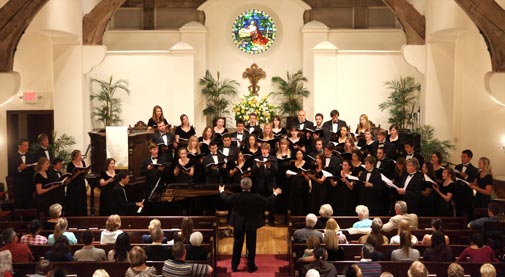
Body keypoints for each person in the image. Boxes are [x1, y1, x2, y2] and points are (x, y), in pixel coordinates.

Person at [219, 177, 281, 272]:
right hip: (252, 224)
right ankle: (251, 266)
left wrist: (222, 191)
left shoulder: (236, 196)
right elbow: (267, 201)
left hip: (238, 223)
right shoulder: (255, 197)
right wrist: (275, 193)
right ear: (250, 186)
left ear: (241, 186)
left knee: (237, 244)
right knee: (251, 245)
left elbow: (226, 199)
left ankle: (234, 266)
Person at [251, 143, 278, 224]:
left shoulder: (273, 158)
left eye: (266, 149)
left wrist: (269, 166)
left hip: (271, 184)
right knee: (260, 202)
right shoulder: (257, 158)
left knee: (272, 203)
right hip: (260, 184)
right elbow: (253, 172)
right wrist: (258, 165)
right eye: (263, 149)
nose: (264, 151)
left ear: (268, 150)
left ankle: (271, 219)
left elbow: (276, 171)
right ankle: (261, 219)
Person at [8, 138, 36, 209]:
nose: (27, 147)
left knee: (30, 205)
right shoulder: (12, 157)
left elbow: (34, 168)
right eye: (25, 145)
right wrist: (19, 169)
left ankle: (29, 219)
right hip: (19, 186)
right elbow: (10, 173)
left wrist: (35, 168)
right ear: (19, 146)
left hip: (29, 184)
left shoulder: (31, 155)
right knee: (19, 206)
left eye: (27, 145)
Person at [453, 149, 479, 218]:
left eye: (464, 157)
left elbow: (473, 181)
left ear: (470, 158)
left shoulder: (474, 169)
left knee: (468, 212)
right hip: (458, 192)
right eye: (461, 156)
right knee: (458, 212)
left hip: (467, 193)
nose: (462, 158)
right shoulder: (457, 167)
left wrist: (466, 176)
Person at [65, 149, 89, 216]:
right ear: (75, 157)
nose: (81, 157)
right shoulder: (70, 165)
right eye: (79, 155)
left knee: (82, 200)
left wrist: (86, 170)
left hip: (81, 184)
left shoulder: (83, 162)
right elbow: (70, 178)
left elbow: (84, 174)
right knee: (75, 201)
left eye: (80, 155)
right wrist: (77, 173)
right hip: (73, 185)